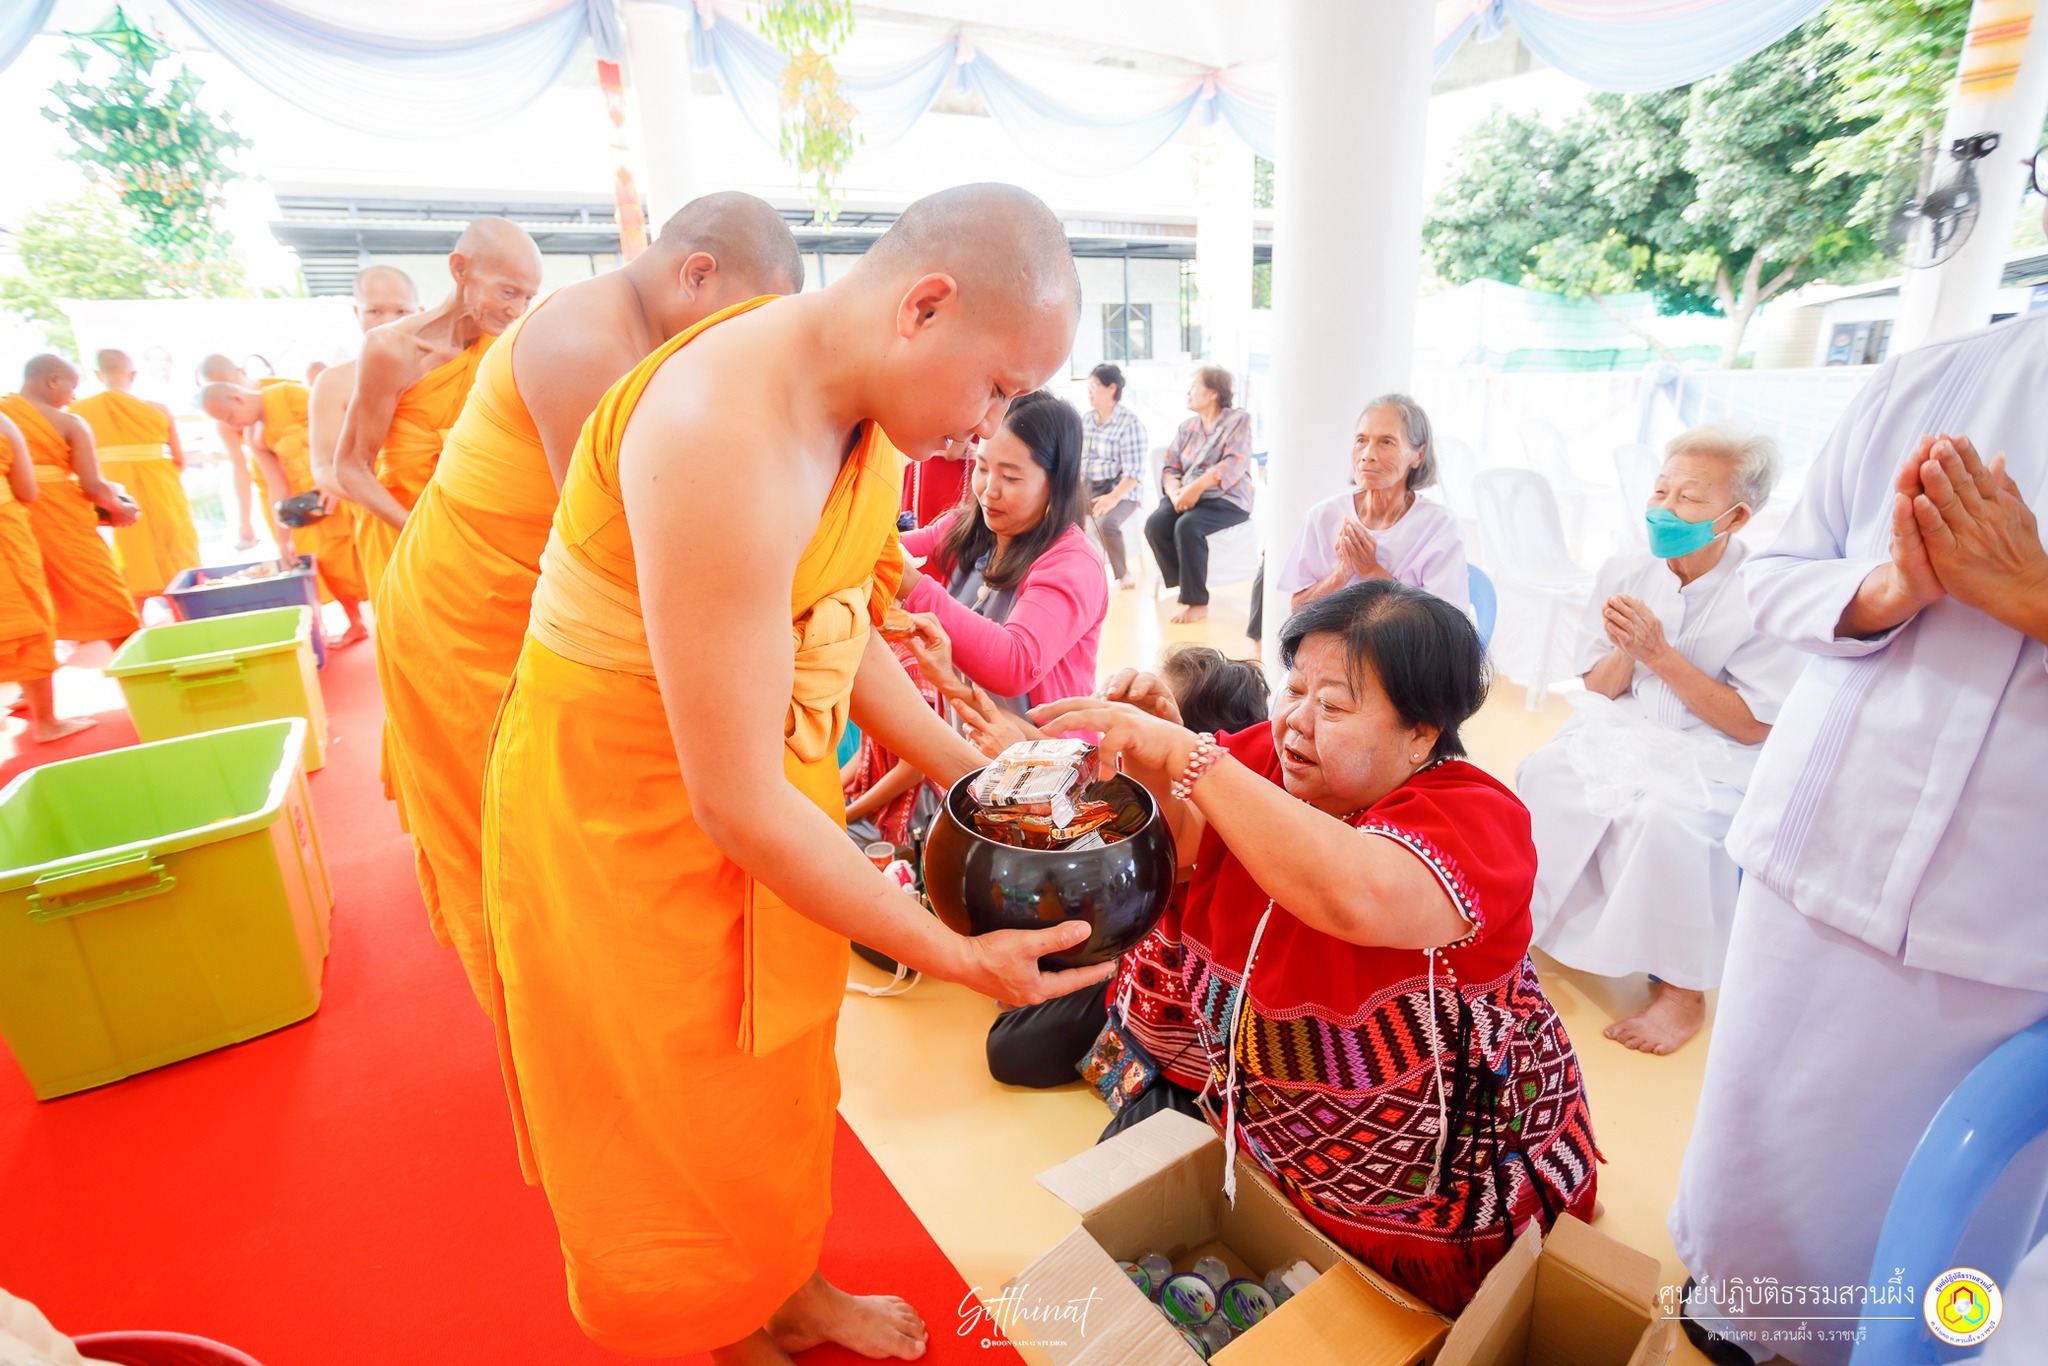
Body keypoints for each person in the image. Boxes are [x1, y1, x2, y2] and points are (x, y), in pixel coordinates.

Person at [480, 183, 1112, 1364]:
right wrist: (954, 952)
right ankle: (711, 1328)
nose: (991, 428)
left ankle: (789, 1282)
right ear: (923, 305)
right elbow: (733, 801)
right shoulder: (721, 426)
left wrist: (983, 777)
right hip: (630, 804)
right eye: (996, 387)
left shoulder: (853, 407)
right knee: (666, 1092)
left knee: (777, 1071)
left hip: (757, 777)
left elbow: (832, 620)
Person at [1035, 580, 1598, 1315]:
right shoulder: (1264, 760)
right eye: (1294, 687)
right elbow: (1182, 851)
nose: (1297, 721)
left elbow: (1352, 894)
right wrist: (1152, 764)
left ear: (1421, 734)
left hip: (1437, 1185)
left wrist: (1190, 760)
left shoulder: (1477, 818)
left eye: (1333, 706)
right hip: (1277, 1144)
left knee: (1415, 1316)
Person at [1666, 312, 2048, 1359]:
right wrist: (1888, 587)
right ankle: (1726, 1314)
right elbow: (1779, 571)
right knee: (1758, 1146)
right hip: (1817, 850)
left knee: (1944, 1211)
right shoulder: (1937, 379)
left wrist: (2031, 596)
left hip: (2004, 924)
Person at [375, 192, 801, 1009]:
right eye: (739, 323)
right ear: (697, 274)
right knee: (513, 843)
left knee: (566, 840)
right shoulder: (585, 339)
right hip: (468, 616)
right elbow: (619, 545)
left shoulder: (649, 339)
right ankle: (541, 1017)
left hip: (531, 597)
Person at [1517, 425, 1804, 1057]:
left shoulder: (1763, 592)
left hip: (1718, 750)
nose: (1664, 509)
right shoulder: (1626, 569)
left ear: (1736, 516)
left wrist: (1660, 653)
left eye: (1690, 498)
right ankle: (1529, 932)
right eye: (1660, 489)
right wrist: (1628, 651)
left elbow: (1753, 722)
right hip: (1629, 727)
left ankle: (1681, 993)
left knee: (1665, 821)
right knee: (1546, 776)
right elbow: (1598, 686)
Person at [984, 645, 1271, 1137]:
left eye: (1145, 733)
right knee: (1006, 1050)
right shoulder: (1131, 805)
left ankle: (1175, 1090)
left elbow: (1174, 848)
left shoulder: (1216, 830)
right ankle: (1110, 1001)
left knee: (1117, 1172)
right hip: (1129, 1003)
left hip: (1189, 1055)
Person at [331, 220, 542, 596]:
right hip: (406, 531)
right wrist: (419, 530)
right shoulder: (391, 349)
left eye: (528, 298)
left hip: (480, 536)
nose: (517, 310)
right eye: (508, 292)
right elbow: (350, 465)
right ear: (460, 269)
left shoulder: (506, 347)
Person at [892, 389, 1106, 717]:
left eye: (1010, 477)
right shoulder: (970, 531)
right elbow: (892, 551)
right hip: (977, 750)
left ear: (1055, 484)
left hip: (1044, 760)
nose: (989, 490)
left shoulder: (1073, 563)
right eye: (982, 468)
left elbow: (1015, 664)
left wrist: (916, 589)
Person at [198, 379, 370, 648]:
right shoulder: (255, 436)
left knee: (373, 553)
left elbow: (341, 426)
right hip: (314, 506)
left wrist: (336, 478)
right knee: (332, 564)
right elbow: (276, 486)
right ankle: (356, 623)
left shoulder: (288, 394)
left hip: (347, 485)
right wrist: (283, 539)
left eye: (230, 417)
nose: (233, 426)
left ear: (237, 398)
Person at [1275, 393, 1468, 615]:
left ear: (1418, 455)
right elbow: (1298, 610)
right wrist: (1343, 572)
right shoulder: (1323, 516)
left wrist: (1371, 570)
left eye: (1386, 442)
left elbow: (1445, 624)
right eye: (1361, 440)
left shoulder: (1440, 527)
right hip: (1334, 645)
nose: (1367, 455)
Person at [0, 356, 140, 648]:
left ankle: (29, 689)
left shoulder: (4, 413)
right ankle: (138, 673)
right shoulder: (69, 422)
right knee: (108, 598)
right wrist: (122, 509)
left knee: (29, 604)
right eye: (71, 387)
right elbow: (93, 487)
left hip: (14, 519)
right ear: (53, 380)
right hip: (63, 522)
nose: (73, 397)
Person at [305, 266, 424, 546]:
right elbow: (323, 467)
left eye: (402, 312)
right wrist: (392, 507)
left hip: (453, 509)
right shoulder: (333, 383)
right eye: (374, 312)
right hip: (386, 523)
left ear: (420, 312)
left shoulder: (447, 369)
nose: (388, 323)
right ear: (356, 313)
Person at [70, 349, 199, 605]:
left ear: (97, 374)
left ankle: (134, 622)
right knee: (174, 548)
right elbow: (180, 459)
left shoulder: (78, 411)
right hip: (161, 486)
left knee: (127, 554)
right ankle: (184, 610)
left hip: (113, 492)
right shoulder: (158, 410)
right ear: (133, 375)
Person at [0, 411, 89, 742]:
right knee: (28, 619)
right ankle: (46, 723)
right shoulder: (5, 422)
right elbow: (27, 490)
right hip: (4, 531)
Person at [1145, 365, 1254, 623]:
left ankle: (1197, 602)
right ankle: (1183, 583)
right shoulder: (1187, 428)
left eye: (1194, 385)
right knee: (1155, 524)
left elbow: (1234, 462)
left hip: (1227, 499)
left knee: (1188, 526)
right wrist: (1175, 494)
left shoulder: (1238, 420)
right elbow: (1170, 466)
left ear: (1214, 393)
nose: (1188, 391)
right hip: (1185, 495)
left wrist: (1194, 489)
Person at [1081, 362, 1147, 588]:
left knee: (1106, 523)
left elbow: (1134, 473)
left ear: (1111, 388)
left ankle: (1123, 575)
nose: (1089, 391)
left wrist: (1112, 498)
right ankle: (1079, 574)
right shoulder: (1086, 419)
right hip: (1089, 486)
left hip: (1121, 490)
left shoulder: (1130, 424)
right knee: (1059, 517)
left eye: (1093, 385)